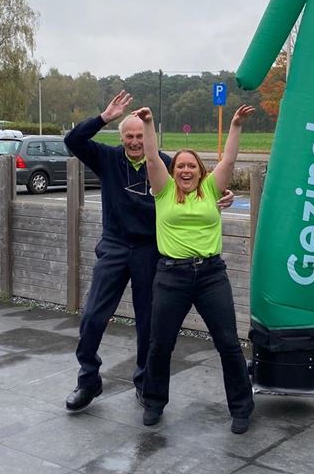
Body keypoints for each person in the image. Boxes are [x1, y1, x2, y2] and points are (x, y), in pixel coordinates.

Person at [63, 91, 233, 413]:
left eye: (140, 136)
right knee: (93, 316)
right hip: (115, 246)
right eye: (129, 136)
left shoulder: (164, 164)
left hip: (150, 251)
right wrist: (104, 117)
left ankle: (144, 382)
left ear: (148, 137)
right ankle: (88, 379)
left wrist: (223, 196)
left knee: (148, 324)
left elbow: (199, 185)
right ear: (122, 138)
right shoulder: (107, 159)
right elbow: (73, 141)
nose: (135, 141)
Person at [135, 103, 256, 434]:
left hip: (210, 276)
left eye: (191, 166)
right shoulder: (163, 191)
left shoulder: (211, 190)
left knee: (228, 343)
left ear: (201, 171)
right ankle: (154, 402)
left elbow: (228, 160)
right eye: (180, 166)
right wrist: (148, 123)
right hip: (171, 276)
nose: (186, 170)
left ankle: (241, 408)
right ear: (173, 171)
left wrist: (235, 125)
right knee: (160, 344)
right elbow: (151, 158)